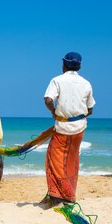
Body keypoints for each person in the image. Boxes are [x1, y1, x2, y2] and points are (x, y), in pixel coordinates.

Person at [42, 52, 96, 209]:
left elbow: (48, 100)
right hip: (79, 128)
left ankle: (58, 195)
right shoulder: (86, 83)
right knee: (72, 160)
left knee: (53, 160)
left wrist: (53, 112)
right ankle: (70, 194)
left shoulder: (57, 80)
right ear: (79, 66)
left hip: (62, 127)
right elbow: (90, 109)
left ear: (63, 65)